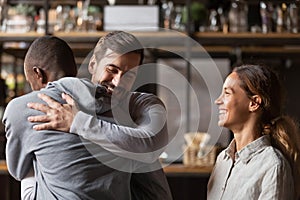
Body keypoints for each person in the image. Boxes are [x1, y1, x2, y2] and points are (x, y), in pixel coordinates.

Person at [6, 31, 171, 199]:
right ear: (92, 64)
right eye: (112, 70)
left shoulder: (140, 107)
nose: (117, 82)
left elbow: (150, 145)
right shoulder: (54, 105)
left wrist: (78, 122)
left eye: (129, 75)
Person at [207, 64, 300, 199]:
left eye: (227, 93)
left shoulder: (273, 165)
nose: (217, 101)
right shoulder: (223, 160)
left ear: (254, 103)